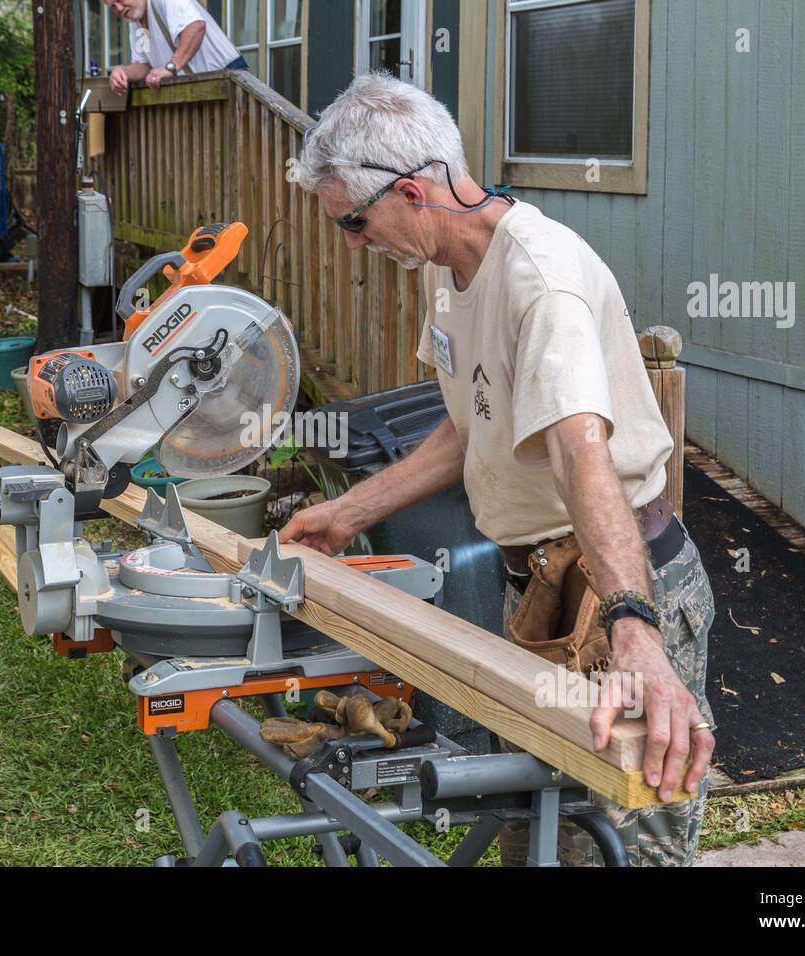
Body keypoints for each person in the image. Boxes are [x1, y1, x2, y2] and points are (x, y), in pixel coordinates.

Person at [281, 72, 718, 867]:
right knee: (536, 831)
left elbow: (580, 449)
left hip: (619, 597)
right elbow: (467, 427)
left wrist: (636, 632)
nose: (352, 241)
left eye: (354, 220)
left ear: (412, 191)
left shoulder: (540, 280)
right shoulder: (447, 274)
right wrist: (348, 514)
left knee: (624, 843)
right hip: (544, 599)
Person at [105, 0, 247, 95]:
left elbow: (195, 27)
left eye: (119, 0)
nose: (118, 8)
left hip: (229, 79)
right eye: (112, 6)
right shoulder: (136, 21)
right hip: (200, 88)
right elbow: (143, 64)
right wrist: (122, 72)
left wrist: (170, 68)